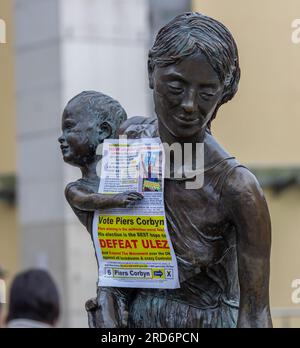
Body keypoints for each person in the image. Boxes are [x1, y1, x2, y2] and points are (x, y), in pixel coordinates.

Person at [119, 12, 272, 328]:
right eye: (176, 86)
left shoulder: (237, 188)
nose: (189, 104)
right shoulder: (131, 144)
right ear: (151, 72)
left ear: (225, 91)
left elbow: (255, 311)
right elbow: (115, 258)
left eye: (206, 92)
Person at [58, 91, 144, 327]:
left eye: (69, 129)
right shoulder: (75, 188)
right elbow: (88, 200)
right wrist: (116, 200)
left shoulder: (134, 176)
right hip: (113, 277)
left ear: (103, 132)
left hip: (150, 270)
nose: (61, 138)